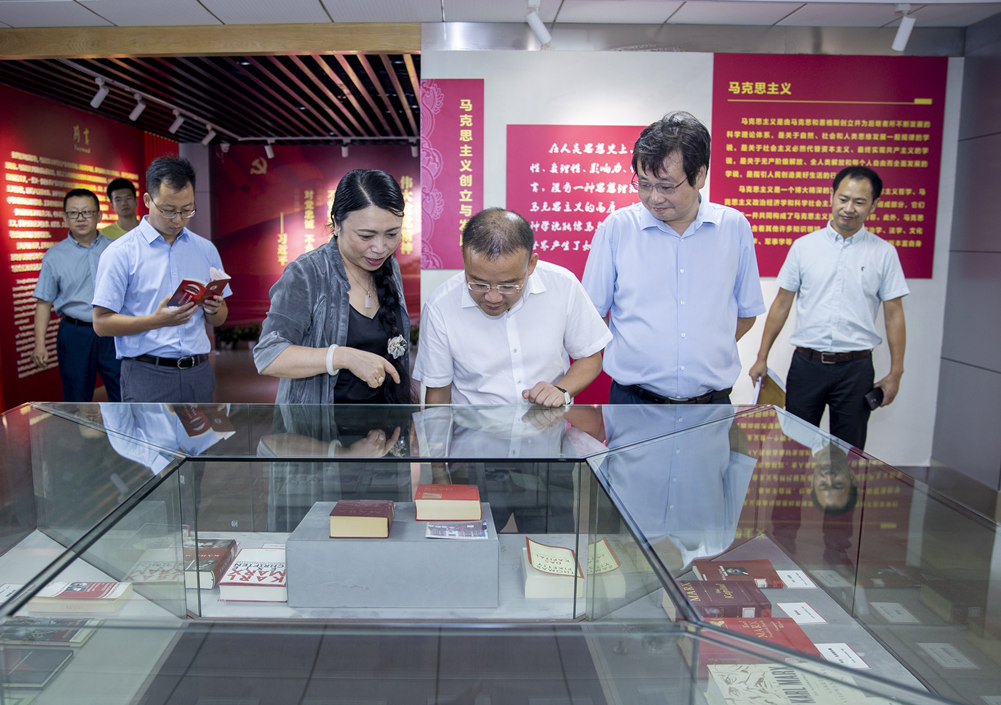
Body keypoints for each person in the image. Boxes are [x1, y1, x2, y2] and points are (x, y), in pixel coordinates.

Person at [582, 111, 765, 405]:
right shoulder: (617, 228)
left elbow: (746, 313)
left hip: (711, 404)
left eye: (666, 186)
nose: (654, 197)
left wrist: (702, 349)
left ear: (699, 176)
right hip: (634, 402)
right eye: (644, 184)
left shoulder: (733, 227)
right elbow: (592, 314)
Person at [749, 165, 908, 451]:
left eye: (859, 202)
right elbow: (782, 304)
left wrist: (896, 373)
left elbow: (894, 314)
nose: (849, 208)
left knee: (848, 455)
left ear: (873, 205)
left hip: (856, 370)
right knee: (795, 450)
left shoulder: (884, 253)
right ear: (832, 196)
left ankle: (844, 484)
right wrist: (762, 357)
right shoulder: (804, 247)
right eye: (843, 199)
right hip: (806, 366)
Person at [414, 207, 611, 406]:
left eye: (508, 286)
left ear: (531, 264)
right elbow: (438, 395)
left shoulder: (562, 285)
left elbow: (591, 358)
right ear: (465, 260)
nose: (493, 297)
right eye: (479, 284)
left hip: (549, 424)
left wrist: (561, 390)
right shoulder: (441, 306)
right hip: (472, 424)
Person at [254, 168, 412, 404]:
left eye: (391, 234)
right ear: (337, 224)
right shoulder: (307, 273)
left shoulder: (390, 268)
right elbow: (268, 355)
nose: (380, 248)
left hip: (382, 422)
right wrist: (341, 357)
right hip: (319, 424)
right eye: (366, 236)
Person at [93, 156, 230, 403]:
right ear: (148, 201)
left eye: (187, 210)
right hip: (147, 374)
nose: (178, 219)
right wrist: (154, 321)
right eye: (168, 210)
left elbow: (220, 317)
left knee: (203, 432)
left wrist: (214, 308)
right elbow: (101, 324)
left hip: (198, 372)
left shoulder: (205, 249)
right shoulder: (120, 253)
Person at [32, 188, 121, 402]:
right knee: (76, 398)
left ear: (99, 215)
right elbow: (43, 303)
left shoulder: (117, 250)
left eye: (87, 212)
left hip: (114, 330)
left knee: (123, 391)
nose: (80, 218)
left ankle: (125, 426)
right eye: (74, 213)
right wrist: (39, 344)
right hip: (75, 334)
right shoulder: (54, 256)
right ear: (65, 218)